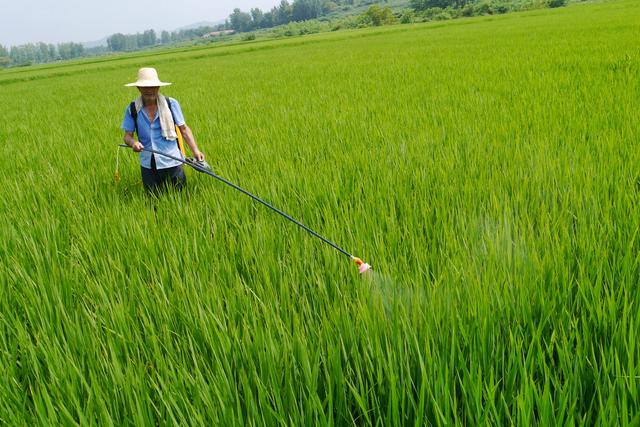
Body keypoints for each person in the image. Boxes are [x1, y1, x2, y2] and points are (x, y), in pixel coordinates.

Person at [121, 67, 205, 194]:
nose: (149, 90)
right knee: (153, 200)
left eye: (153, 86)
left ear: (158, 87)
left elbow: (184, 129)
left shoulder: (171, 104)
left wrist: (195, 151)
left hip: (172, 161)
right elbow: (127, 136)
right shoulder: (132, 109)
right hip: (148, 164)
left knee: (180, 197)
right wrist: (133, 143)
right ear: (139, 88)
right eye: (145, 87)